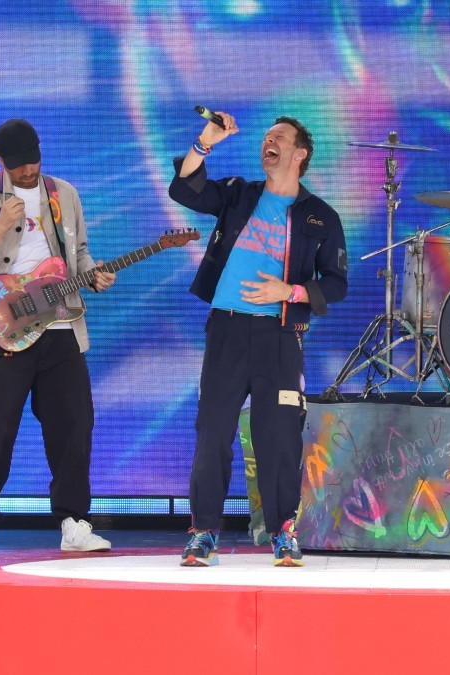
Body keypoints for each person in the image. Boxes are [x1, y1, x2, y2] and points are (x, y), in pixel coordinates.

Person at [169, 112, 348, 567]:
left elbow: (338, 281)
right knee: (213, 432)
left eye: (280, 138)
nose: (268, 142)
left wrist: (288, 291)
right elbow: (185, 187)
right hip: (227, 328)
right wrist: (206, 142)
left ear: (300, 153)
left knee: (279, 436)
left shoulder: (320, 216)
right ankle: (203, 530)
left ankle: (283, 531)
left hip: (281, 335)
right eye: (266, 137)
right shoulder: (239, 194)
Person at [0, 119, 116, 553]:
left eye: (33, 161)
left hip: (61, 327)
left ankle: (74, 522)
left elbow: (78, 254)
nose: (28, 171)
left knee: (74, 425)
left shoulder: (64, 194)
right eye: (18, 165)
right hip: (7, 329)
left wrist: (93, 275)